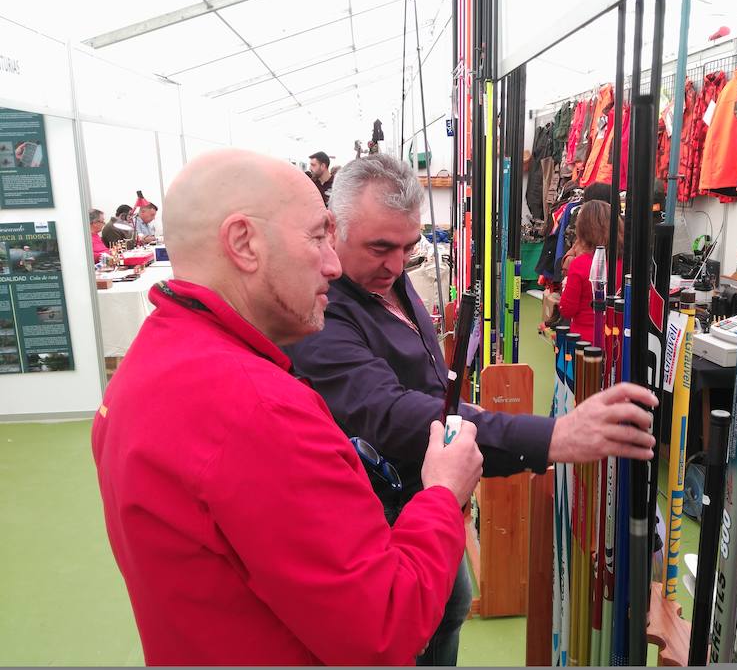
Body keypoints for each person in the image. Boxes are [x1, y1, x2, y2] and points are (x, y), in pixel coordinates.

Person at [91, 149, 484, 665]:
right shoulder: (259, 409)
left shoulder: (146, 364)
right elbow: (384, 627)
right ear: (243, 243)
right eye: (317, 235)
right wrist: (442, 494)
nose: (332, 262)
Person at [284, 154, 657, 666]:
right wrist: (554, 436)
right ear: (333, 227)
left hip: (427, 497)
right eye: (380, 247)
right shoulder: (321, 307)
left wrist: (453, 402)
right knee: (409, 632)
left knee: (451, 602)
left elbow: (411, 370)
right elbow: (388, 412)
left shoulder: (382, 274)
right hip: (378, 511)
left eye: (408, 247)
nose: (395, 265)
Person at [558, 200, 623, 344]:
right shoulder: (625, 265)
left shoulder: (580, 265)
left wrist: (565, 285)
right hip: (617, 341)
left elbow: (567, 309)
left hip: (584, 344)